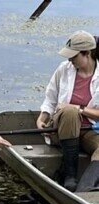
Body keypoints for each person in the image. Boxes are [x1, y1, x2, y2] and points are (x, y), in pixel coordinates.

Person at [36, 30, 99, 192]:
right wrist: (41, 119)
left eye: (74, 56)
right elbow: (50, 99)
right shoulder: (64, 69)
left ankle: (86, 188)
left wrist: (78, 108)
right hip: (61, 129)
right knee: (70, 113)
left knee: (73, 110)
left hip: (88, 130)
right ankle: (69, 175)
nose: (70, 60)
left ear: (87, 53)